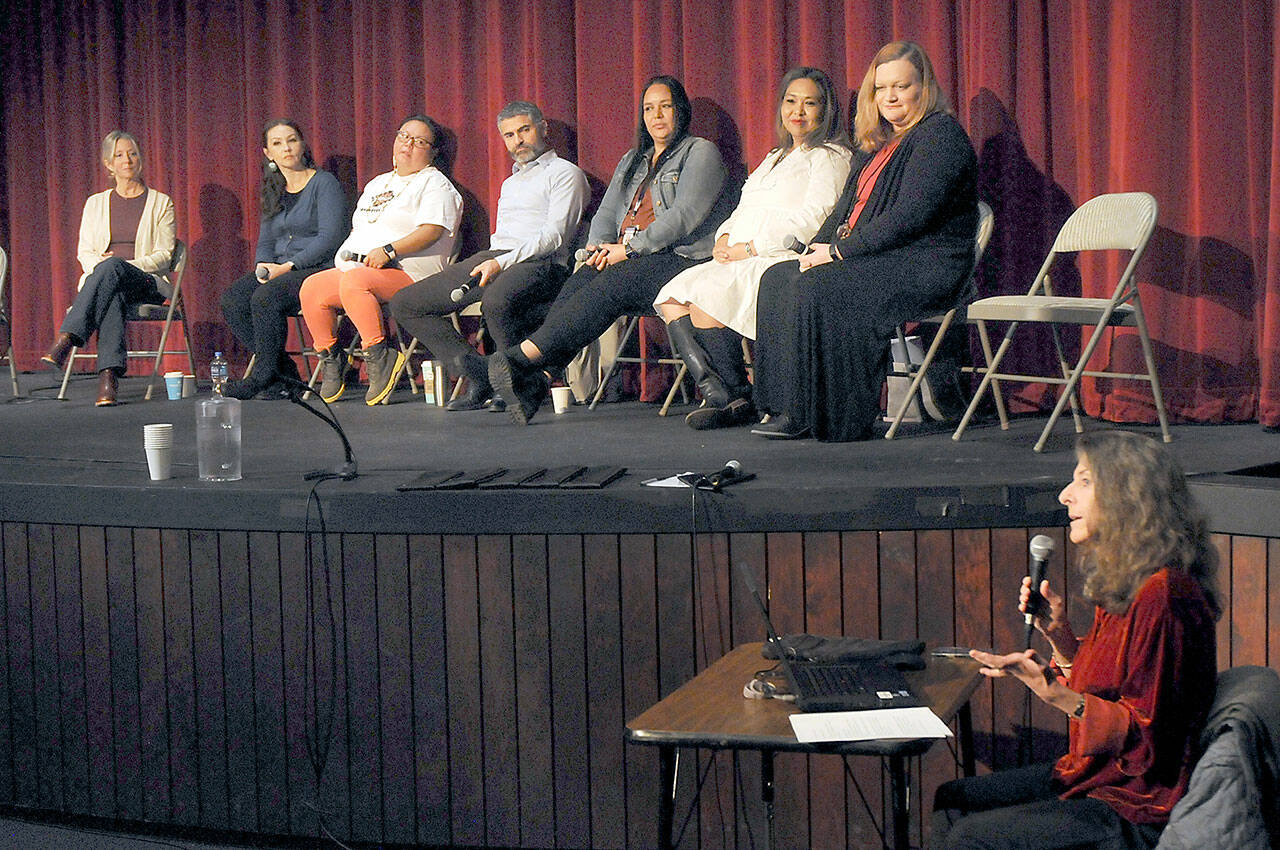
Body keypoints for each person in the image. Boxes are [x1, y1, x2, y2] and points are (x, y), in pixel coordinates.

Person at [931, 430, 1220, 850]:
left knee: (971, 838)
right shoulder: (1130, 582)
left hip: (1136, 804)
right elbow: (1107, 687)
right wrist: (1060, 636)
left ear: (1128, 496)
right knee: (953, 802)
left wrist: (1052, 693)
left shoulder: (1164, 594)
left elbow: (1147, 738)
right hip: (1097, 776)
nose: (1065, 495)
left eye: (1084, 481)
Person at [750, 41, 978, 442]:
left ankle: (836, 417)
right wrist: (814, 250)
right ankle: (789, 407)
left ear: (923, 88)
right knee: (778, 279)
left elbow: (910, 217)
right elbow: (843, 211)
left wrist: (839, 252)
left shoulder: (941, 137)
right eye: (880, 88)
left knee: (823, 286)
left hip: (924, 263)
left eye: (901, 87)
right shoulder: (876, 143)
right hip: (871, 256)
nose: (889, 96)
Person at [484, 75, 732, 424]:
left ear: (681, 111)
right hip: (630, 255)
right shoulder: (634, 159)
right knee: (577, 283)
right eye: (649, 108)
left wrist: (628, 249)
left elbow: (683, 218)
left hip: (680, 257)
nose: (657, 115)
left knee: (607, 287)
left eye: (666, 106)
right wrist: (597, 249)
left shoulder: (700, 152)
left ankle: (519, 358)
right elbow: (606, 213)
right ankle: (536, 383)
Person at [649, 67, 852, 430]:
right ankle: (725, 395)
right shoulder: (775, 157)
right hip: (739, 254)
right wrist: (725, 239)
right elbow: (744, 207)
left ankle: (737, 395)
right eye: (791, 102)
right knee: (672, 295)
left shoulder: (831, 156)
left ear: (826, 109)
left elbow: (813, 218)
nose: (798, 112)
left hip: (780, 258)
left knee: (706, 296)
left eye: (809, 104)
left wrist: (752, 247)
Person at [390, 101, 590, 415]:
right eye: (509, 135)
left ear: (543, 129)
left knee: (496, 300)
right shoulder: (510, 183)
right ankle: (480, 375)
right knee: (405, 303)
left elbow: (555, 237)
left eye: (524, 130)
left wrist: (502, 262)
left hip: (543, 263)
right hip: (495, 257)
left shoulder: (566, 174)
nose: (518, 141)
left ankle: (513, 383)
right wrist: (494, 260)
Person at [299, 114, 462, 405]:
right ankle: (333, 361)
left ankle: (380, 356)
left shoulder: (435, 184)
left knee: (355, 282)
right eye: (404, 136)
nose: (408, 144)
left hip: (413, 272)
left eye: (419, 141)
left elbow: (432, 229)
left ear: (433, 152)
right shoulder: (378, 184)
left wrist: (390, 250)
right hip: (364, 269)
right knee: (312, 288)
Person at [41, 131, 176, 407]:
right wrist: (105, 268)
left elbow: (165, 255)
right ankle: (108, 377)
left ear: (140, 159)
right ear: (108, 165)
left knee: (112, 268)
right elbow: (85, 252)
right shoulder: (96, 203)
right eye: (119, 155)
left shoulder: (161, 202)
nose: (127, 160)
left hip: (146, 283)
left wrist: (122, 266)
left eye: (133, 154)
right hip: (106, 285)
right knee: (110, 293)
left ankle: (67, 338)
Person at [220, 119, 346, 400]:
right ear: (268, 153)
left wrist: (288, 266)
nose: (286, 148)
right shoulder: (273, 188)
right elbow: (266, 241)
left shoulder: (324, 183)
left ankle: (264, 374)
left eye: (291, 140)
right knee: (233, 299)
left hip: (317, 269)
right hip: (278, 269)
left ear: (302, 144)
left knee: (265, 297)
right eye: (277, 143)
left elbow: (330, 238)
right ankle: (284, 372)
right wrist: (263, 266)